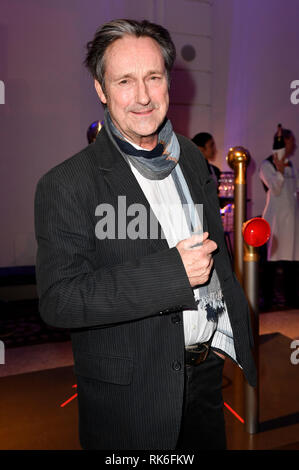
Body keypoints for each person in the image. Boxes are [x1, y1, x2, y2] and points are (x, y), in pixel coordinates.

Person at [34, 19, 256, 450]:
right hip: (131, 398)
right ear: (101, 88)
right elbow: (59, 300)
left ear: (168, 80)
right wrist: (172, 273)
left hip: (206, 378)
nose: (142, 97)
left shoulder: (190, 157)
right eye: (124, 81)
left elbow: (217, 256)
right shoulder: (67, 184)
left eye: (153, 78)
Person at [259, 124, 299, 309]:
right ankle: (267, 299)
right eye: (292, 141)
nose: (294, 145)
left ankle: (291, 298)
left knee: (292, 261)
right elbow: (275, 189)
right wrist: (280, 171)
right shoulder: (266, 165)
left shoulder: (291, 165)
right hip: (276, 221)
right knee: (272, 262)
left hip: (292, 221)